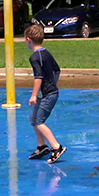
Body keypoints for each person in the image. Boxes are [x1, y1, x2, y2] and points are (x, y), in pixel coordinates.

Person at [24, 25, 67, 164]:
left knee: (38, 121)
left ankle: (56, 147)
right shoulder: (46, 53)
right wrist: (53, 84)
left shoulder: (35, 57)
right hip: (50, 93)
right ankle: (42, 146)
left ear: (28, 39)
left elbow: (38, 77)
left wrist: (34, 95)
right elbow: (57, 70)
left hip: (47, 95)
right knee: (33, 118)